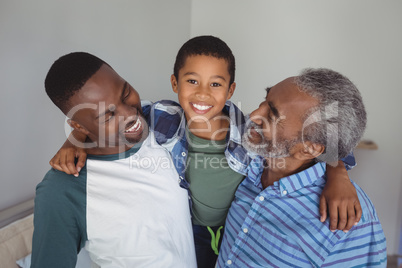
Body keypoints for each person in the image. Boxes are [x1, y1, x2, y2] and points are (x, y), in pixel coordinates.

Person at [50, 36, 362, 268]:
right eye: (192, 81)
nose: (202, 93)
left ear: (230, 91)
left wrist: (338, 174)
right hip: (188, 230)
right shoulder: (160, 117)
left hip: (234, 227)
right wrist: (74, 141)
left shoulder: (250, 131)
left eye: (215, 84)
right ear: (175, 83)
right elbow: (106, 121)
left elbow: (323, 142)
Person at [31, 52, 197, 267]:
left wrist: (75, 139)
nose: (130, 113)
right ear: (79, 126)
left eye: (125, 93)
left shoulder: (162, 127)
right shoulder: (62, 191)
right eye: (108, 115)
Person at [217, 68, 387, 267]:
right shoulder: (249, 159)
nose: (254, 115)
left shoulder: (348, 222)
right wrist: (337, 169)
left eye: (272, 114)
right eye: (265, 99)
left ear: (309, 149)